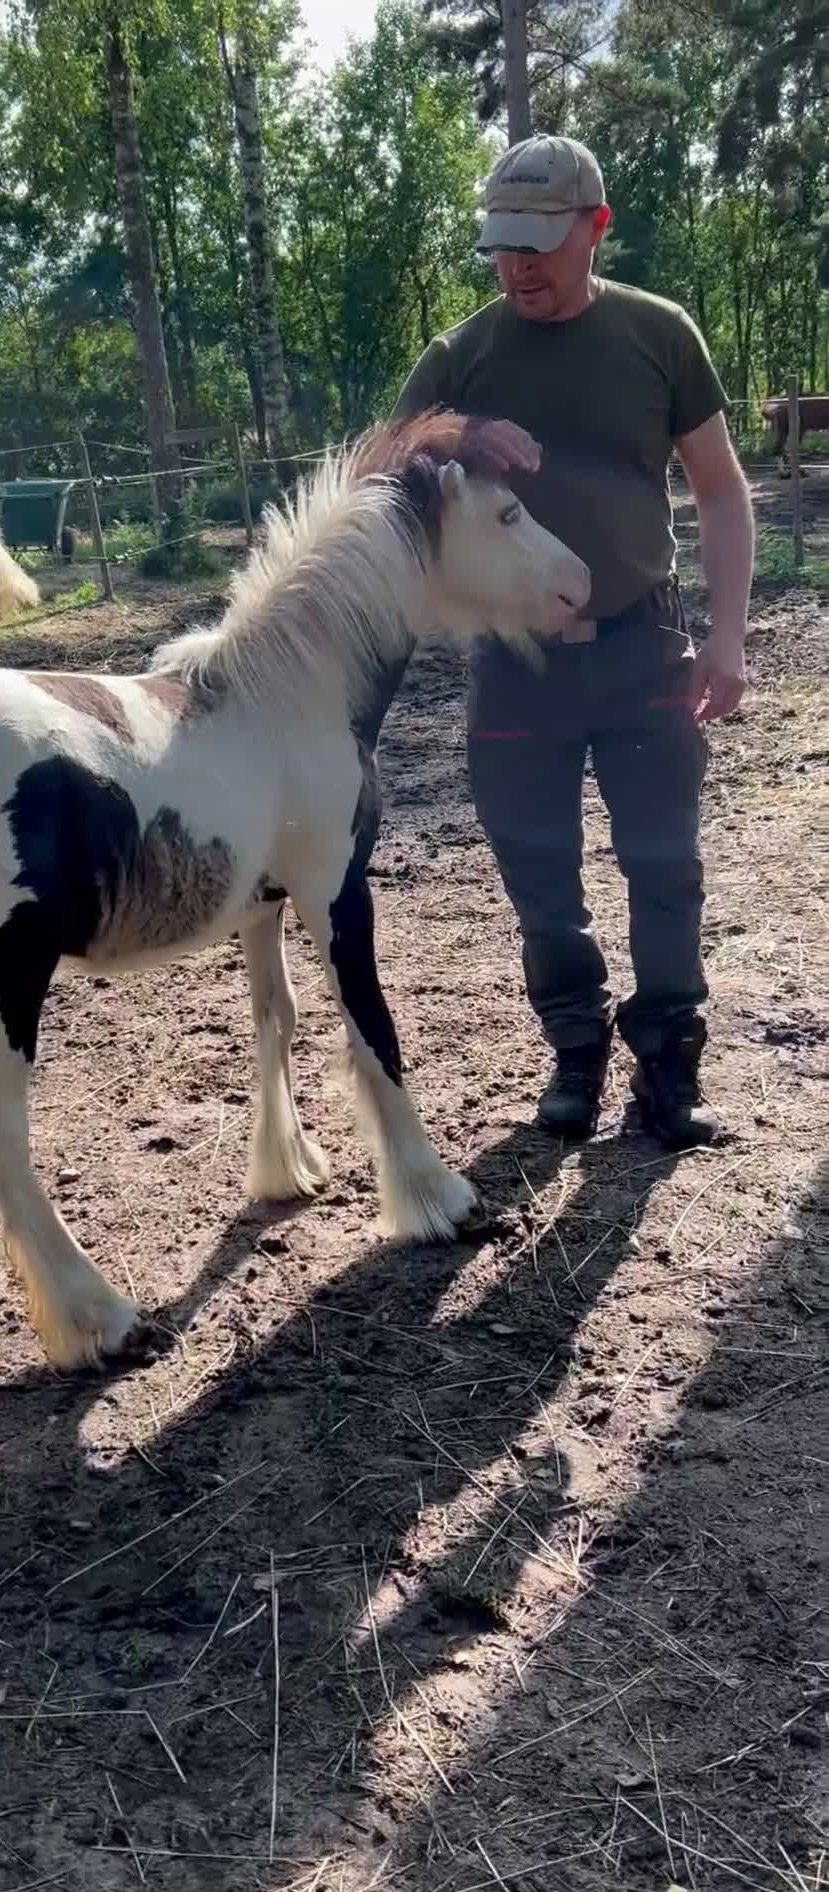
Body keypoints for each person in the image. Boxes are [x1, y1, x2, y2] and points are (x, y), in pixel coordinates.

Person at [393, 134, 754, 1149]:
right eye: (503, 243)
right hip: (517, 672)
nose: (520, 266)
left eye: (542, 243)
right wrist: (457, 435)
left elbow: (721, 493)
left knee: (665, 866)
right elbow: (377, 474)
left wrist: (727, 639)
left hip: (644, 651)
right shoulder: (460, 355)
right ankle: (575, 1055)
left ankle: (670, 1071)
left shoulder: (658, 336)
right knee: (541, 881)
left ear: (595, 227)